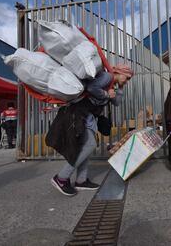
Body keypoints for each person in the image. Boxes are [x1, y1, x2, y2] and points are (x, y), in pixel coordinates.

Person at [47, 64, 133, 196]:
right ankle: (61, 178)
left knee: (85, 147)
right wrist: (105, 94)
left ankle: (81, 180)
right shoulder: (107, 76)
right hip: (79, 114)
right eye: (126, 78)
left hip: (88, 117)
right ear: (119, 72)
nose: (127, 81)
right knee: (90, 145)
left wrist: (119, 89)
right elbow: (92, 87)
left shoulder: (112, 85)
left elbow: (116, 102)